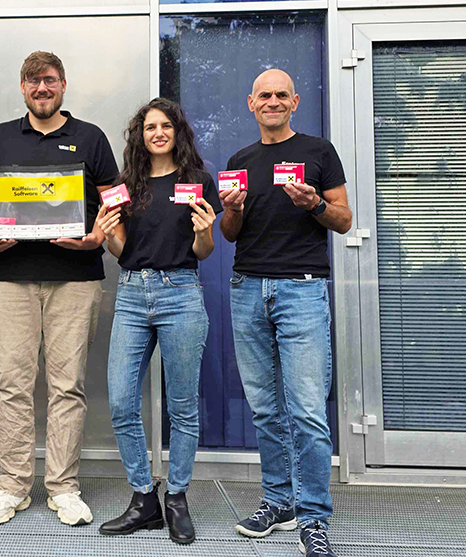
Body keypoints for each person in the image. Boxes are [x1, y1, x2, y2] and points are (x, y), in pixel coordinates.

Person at [0, 51, 118, 527]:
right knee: (11, 385)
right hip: (9, 276)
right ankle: (12, 486)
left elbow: (115, 201)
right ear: (22, 87)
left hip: (75, 280)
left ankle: (63, 487)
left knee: (67, 386)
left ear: (63, 85)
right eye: (33, 81)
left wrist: (98, 236)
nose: (41, 88)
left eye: (49, 81)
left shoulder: (90, 138)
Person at [220, 69, 351, 557]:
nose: (272, 101)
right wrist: (231, 208)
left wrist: (314, 202)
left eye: (281, 95)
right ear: (250, 104)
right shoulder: (239, 161)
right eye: (264, 96)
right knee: (264, 407)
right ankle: (279, 501)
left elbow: (344, 219)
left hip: (302, 291)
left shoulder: (319, 152)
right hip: (247, 287)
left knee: (308, 410)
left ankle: (314, 517)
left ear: (295, 102)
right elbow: (230, 233)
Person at [95, 98, 219, 543]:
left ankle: (178, 497)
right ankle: (144, 498)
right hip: (131, 292)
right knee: (121, 400)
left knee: (182, 407)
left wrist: (204, 230)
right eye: (150, 127)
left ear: (178, 131)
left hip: (181, 291)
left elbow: (203, 252)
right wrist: (110, 231)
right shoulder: (126, 184)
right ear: (140, 135)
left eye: (166, 125)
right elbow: (122, 252)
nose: (158, 133)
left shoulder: (198, 182)